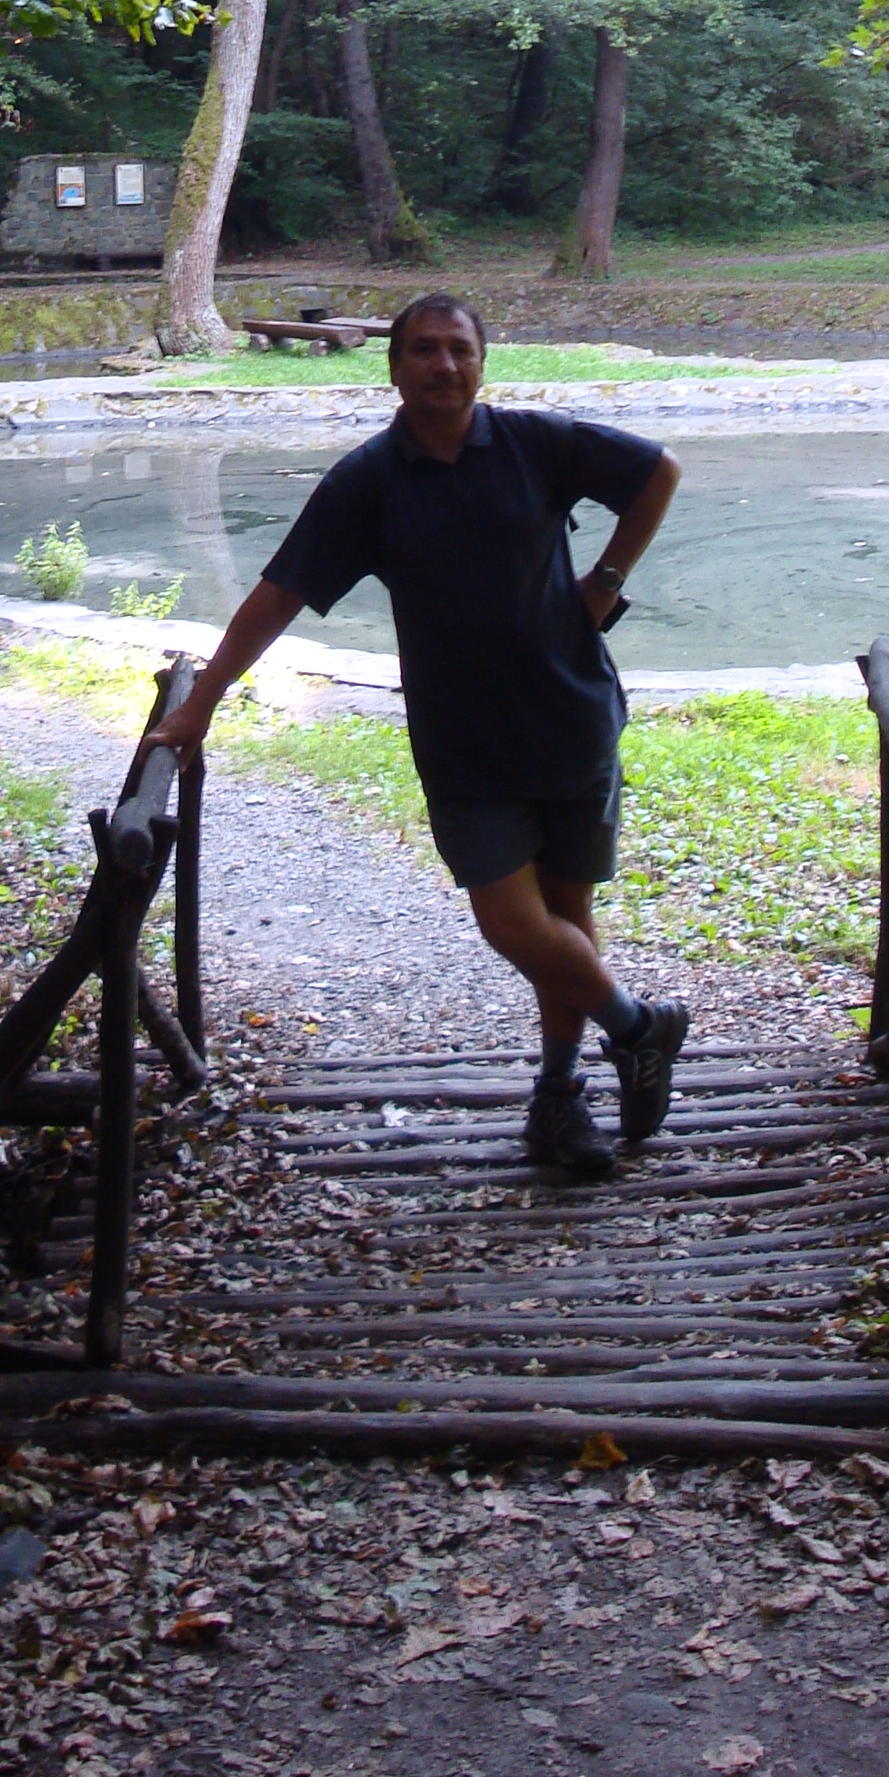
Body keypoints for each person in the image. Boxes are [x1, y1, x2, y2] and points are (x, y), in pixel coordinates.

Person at [144, 291, 688, 1177]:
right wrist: (202, 702)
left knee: (568, 916)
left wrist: (606, 581)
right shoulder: (366, 483)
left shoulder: (535, 443)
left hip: (571, 718)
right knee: (512, 923)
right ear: (394, 368)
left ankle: (559, 1098)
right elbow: (279, 595)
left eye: (459, 349)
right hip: (462, 741)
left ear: (482, 363)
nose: (444, 365)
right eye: (425, 350)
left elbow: (658, 472)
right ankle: (639, 1026)